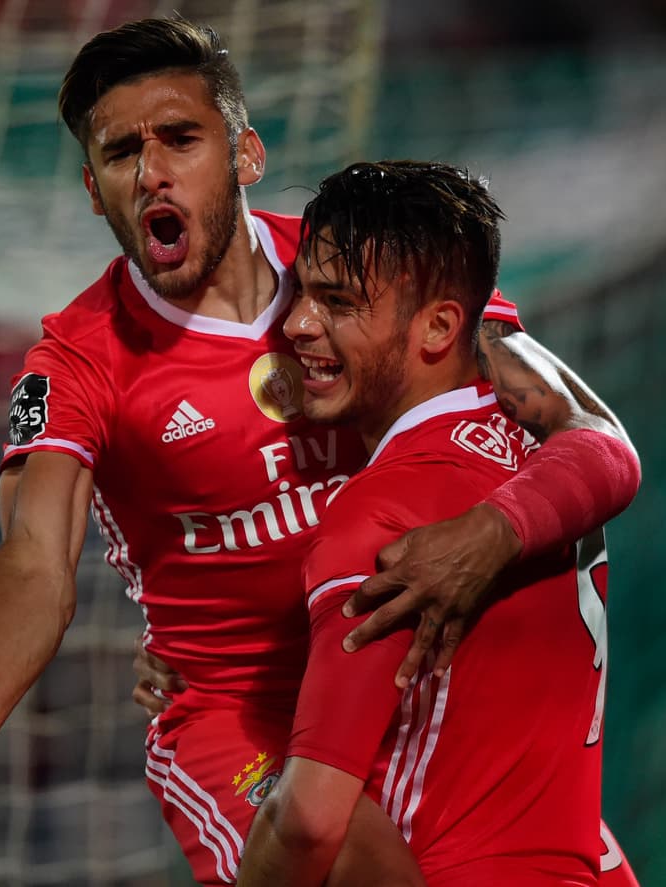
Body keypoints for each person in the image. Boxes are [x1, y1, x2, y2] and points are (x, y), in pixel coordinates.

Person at [0, 17, 641, 884]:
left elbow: (595, 439)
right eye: (122, 151)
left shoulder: (369, 272)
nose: (152, 169)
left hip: (407, 691)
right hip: (244, 721)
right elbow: (32, 564)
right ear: (96, 190)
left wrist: (489, 535)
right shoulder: (82, 360)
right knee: (351, 854)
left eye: (180, 138)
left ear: (245, 154)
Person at [235, 159, 624, 886]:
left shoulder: (381, 516)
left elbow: (314, 821)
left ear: (441, 325)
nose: (297, 324)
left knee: (278, 799)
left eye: (339, 301)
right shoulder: (542, 449)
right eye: (302, 292)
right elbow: (608, 447)